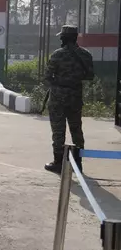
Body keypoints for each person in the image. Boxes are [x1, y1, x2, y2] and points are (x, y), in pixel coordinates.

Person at [43, 25, 94, 174]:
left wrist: (58, 84)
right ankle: (78, 163)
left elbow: (47, 76)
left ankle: (58, 162)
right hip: (75, 95)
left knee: (58, 130)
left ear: (63, 39)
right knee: (76, 129)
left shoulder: (57, 55)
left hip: (58, 97)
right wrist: (74, 79)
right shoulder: (85, 55)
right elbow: (90, 76)